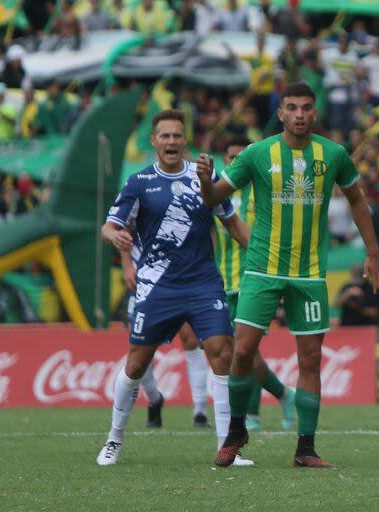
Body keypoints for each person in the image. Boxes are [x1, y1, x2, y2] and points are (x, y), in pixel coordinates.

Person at [198, 82, 379, 468]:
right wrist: (204, 180)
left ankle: (306, 448)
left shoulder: (333, 154)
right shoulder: (256, 154)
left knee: (311, 359)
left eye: (305, 107)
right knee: (244, 350)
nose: (299, 114)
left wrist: (372, 251)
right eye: (291, 108)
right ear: (280, 113)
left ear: (314, 113)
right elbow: (213, 198)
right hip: (262, 268)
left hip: (309, 273)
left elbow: (356, 200)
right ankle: (236, 431)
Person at [96, 109, 248, 466]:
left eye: (177, 135)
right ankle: (114, 439)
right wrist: (114, 235)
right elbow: (109, 225)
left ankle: (227, 448)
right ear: (154, 141)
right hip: (157, 286)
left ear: (185, 139)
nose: (171, 142)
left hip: (203, 284)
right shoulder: (138, 182)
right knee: (136, 365)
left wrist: (261, 256)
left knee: (222, 353)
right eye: (164, 136)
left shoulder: (204, 179)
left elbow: (233, 224)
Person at [212, 137, 297, 432]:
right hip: (223, 283)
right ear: (225, 160)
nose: (237, 162)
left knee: (244, 350)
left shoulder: (260, 193)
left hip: (254, 279)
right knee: (239, 350)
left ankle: (253, 414)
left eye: (242, 156)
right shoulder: (217, 196)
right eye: (232, 156)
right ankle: (283, 395)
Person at [119, 233, 213, 430]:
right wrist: (127, 266)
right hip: (141, 280)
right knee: (138, 350)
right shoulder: (135, 203)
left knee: (191, 339)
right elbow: (116, 230)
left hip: (178, 278)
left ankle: (200, 412)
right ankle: (155, 398)